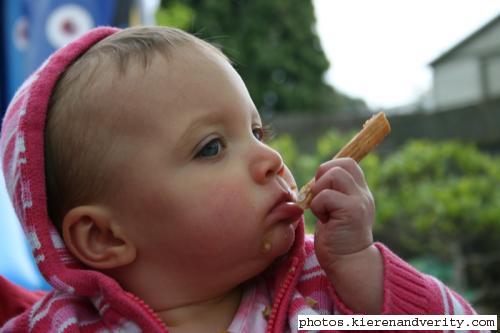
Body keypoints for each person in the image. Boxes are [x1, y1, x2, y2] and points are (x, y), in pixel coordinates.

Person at [0, 26, 480, 333]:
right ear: (103, 236)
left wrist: (366, 275)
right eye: (211, 147)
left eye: (257, 132)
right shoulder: (58, 327)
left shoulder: (322, 292)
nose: (270, 158)